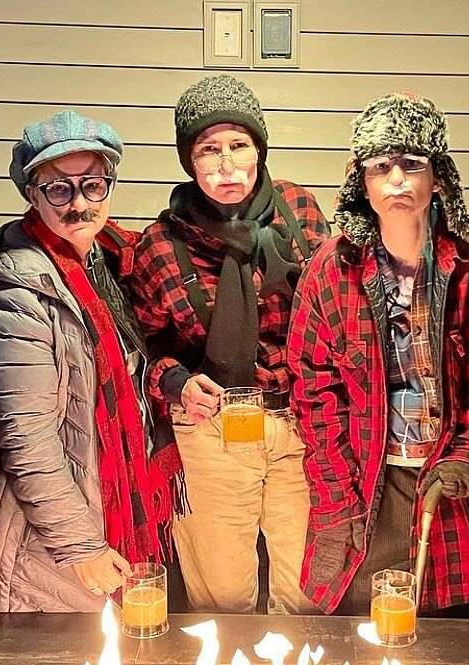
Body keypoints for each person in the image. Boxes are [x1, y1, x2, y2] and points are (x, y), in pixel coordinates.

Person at [287, 92, 469, 617]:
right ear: (360, 181)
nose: (397, 182)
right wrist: (338, 490)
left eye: (413, 165)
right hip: (366, 478)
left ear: (438, 177)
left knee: (455, 628)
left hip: (450, 475)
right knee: (359, 633)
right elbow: (312, 387)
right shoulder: (332, 268)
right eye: (380, 167)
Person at [0, 111, 183, 612]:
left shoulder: (110, 266)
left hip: (112, 503)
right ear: (31, 195)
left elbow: (130, 365)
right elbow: (26, 435)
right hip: (55, 540)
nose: (79, 203)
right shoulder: (14, 293)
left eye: (93, 185)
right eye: (58, 189)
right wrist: (79, 545)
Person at [129, 75, 330, 614]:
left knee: (306, 588)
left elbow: (335, 314)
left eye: (239, 145)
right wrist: (174, 381)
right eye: (208, 150)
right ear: (189, 162)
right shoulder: (160, 245)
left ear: (259, 148)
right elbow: (144, 348)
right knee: (222, 595)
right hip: (213, 429)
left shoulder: (299, 212)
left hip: (299, 424)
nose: (226, 165)